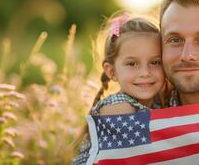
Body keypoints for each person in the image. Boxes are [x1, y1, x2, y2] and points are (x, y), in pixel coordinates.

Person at [72, 13, 167, 164]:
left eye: (155, 62)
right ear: (112, 72)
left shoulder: (158, 101)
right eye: (132, 64)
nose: (145, 73)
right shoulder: (118, 107)